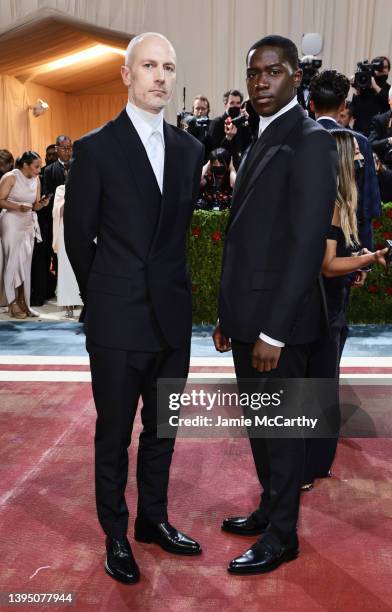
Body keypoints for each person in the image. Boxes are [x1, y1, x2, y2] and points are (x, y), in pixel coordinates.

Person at [65, 32, 204, 585]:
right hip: (118, 320)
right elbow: (79, 240)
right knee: (114, 434)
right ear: (127, 75)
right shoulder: (96, 148)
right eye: (149, 65)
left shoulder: (191, 150)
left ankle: (153, 520)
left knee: (163, 430)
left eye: (168, 67)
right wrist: (108, 295)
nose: (160, 77)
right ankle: (116, 534)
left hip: (172, 318)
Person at [213, 34, 338, 575]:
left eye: (273, 71)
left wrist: (274, 332)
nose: (261, 81)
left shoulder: (309, 139)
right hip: (248, 317)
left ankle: (283, 536)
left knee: (283, 434)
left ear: (295, 76)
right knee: (261, 429)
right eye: (253, 74)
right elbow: (245, 240)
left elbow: (307, 243)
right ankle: (270, 507)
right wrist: (228, 315)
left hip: (279, 326)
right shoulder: (260, 136)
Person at [304, 130, 388, 488]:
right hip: (319, 310)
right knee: (318, 388)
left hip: (331, 305)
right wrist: (367, 258)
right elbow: (326, 265)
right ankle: (304, 469)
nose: (360, 157)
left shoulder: (343, 200)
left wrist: (356, 261)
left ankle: (312, 466)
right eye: (354, 152)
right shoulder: (333, 202)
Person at [309, 70, 381, 251]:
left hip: (301, 250)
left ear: (311, 105)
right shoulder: (360, 143)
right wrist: (364, 260)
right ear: (343, 107)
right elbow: (367, 207)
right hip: (345, 249)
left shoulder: (294, 139)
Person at [0, 151, 50, 317]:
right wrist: (18, 207)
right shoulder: (11, 177)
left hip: (28, 223)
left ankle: (24, 301)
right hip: (11, 222)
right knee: (12, 262)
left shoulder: (36, 179)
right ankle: (12, 302)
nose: (39, 170)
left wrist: (42, 204)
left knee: (25, 264)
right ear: (25, 165)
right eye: (36, 166)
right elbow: (0, 200)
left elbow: (34, 205)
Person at [31, 135, 72, 307]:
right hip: (52, 220)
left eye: (69, 148)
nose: (67, 151)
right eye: (63, 148)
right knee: (53, 257)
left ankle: (73, 292)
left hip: (77, 221)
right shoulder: (49, 170)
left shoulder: (80, 165)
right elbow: (47, 194)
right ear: (56, 149)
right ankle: (55, 290)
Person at [368, 80, 392, 200]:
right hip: (388, 175)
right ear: (389, 100)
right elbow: (371, 143)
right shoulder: (379, 120)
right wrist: (389, 140)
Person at [52, 180, 83, 318]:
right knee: (66, 268)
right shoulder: (61, 189)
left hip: (86, 229)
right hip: (66, 229)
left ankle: (87, 303)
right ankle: (68, 304)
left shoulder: (89, 186)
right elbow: (58, 212)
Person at [208, 89, 252, 168]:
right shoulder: (217, 123)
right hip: (224, 168)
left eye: (238, 103)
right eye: (232, 103)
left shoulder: (243, 123)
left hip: (242, 167)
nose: (235, 106)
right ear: (225, 104)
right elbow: (214, 151)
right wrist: (228, 138)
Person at [350, 55, 391, 136]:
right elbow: (354, 112)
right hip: (360, 131)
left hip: (378, 133)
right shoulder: (363, 87)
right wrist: (357, 88)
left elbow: (389, 103)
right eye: (379, 67)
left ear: (389, 70)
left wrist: (375, 86)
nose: (382, 70)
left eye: (385, 67)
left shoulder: (390, 89)